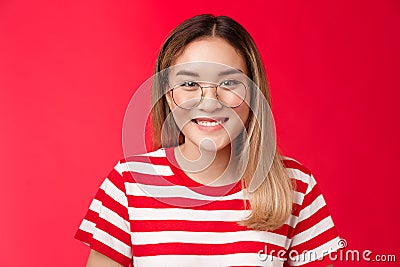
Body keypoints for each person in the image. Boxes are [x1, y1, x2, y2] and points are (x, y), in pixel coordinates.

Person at [75, 14, 341, 267]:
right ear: (169, 95)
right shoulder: (128, 183)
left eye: (229, 83)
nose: (210, 103)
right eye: (190, 85)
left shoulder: (296, 187)